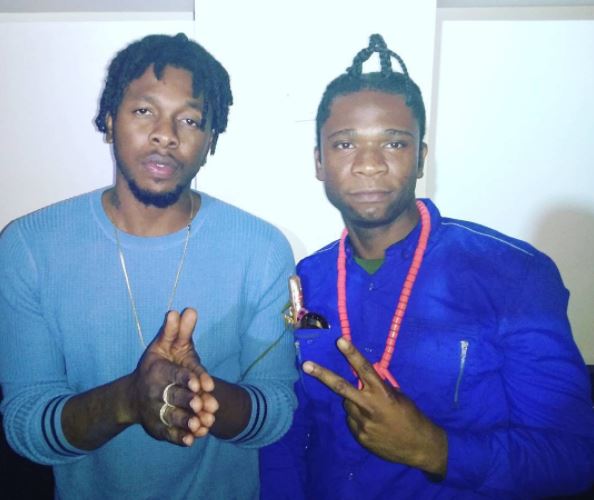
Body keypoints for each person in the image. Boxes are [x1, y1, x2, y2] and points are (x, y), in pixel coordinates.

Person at [260, 34, 594, 499]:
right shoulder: (307, 278)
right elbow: (289, 433)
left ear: (420, 157)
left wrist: (435, 450)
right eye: (345, 144)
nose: (370, 164)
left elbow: (575, 456)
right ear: (319, 162)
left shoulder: (512, 275)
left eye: (394, 143)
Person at [0, 33, 297, 500]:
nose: (166, 134)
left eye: (190, 120)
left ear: (211, 141)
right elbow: (26, 425)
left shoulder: (261, 249)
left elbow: (275, 411)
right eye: (144, 111)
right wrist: (128, 399)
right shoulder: (29, 247)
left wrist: (198, 394)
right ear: (108, 120)